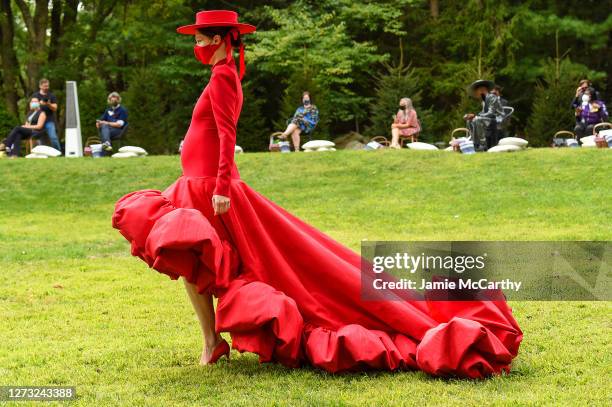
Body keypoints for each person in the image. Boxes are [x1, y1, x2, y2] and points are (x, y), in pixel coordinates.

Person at [112, 10, 522, 377]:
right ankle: (211, 342)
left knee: (204, 262)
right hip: (197, 184)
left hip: (210, 189)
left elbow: (225, 135)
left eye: (201, 38)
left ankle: (211, 342)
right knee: (191, 262)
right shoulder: (221, 75)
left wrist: (221, 188)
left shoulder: (222, 78)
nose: (196, 45)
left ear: (219, 39)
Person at [464, 79, 504, 150]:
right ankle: (474, 142)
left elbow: (491, 112)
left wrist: (476, 116)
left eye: (478, 91)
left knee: (477, 119)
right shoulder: (484, 100)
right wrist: (471, 116)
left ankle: (483, 144)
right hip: (490, 118)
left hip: (497, 118)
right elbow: (483, 113)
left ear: (483, 90)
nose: (476, 94)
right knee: (470, 120)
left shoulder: (492, 97)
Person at [31, 78, 61, 152]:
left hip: (49, 120)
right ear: (40, 86)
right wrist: (39, 103)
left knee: (53, 137)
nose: (46, 88)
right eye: (44, 86)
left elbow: (55, 108)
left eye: (47, 86)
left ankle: (58, 152)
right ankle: (35, 152)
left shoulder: (51, 96)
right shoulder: (35, 95)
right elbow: (32, 107)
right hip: (37, 121)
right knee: (35, 137)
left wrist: (48, 104)